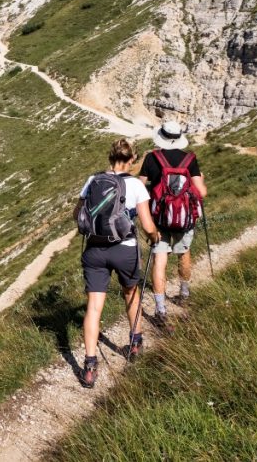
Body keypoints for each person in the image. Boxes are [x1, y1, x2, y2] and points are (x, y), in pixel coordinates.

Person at [73, 138, 159, 388]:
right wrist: (155, 237)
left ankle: (89, 365)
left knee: (94, 306)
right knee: (131, 293)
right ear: (132, 159)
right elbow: (146, 223)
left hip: (95, 250)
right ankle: (135, 343)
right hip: (124, 249)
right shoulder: (136, 186)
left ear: (110, 157)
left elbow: (76, 214)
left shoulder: (93, 180)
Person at [139, 120, 208, 330]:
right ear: (179, 138)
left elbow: (139, 187)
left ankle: (160, 310)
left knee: (160, 260)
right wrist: (201, 180)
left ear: (161, 136)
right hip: (185, 219)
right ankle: (184, 293)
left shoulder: (152, 158)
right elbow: (202, 192)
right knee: (184, 252)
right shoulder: (190, 159)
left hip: (159, 219)